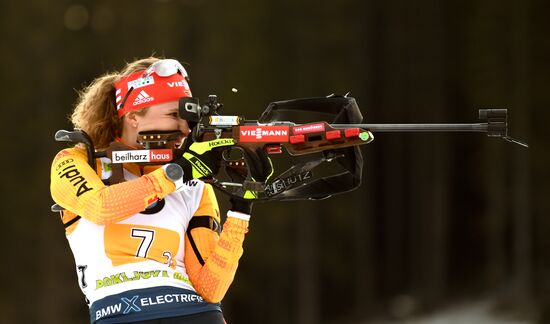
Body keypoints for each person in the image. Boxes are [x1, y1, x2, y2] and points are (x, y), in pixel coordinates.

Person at [50, 57, 270, 323]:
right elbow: (102, 207)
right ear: (132, 116)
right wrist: (179, 173)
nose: (185, 128)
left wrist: (241, 208)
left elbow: (211, 288)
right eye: (174, 115)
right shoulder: (77, 160)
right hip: (120, 313)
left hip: (195, 312)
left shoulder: (194, 184)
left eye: (189, 117)